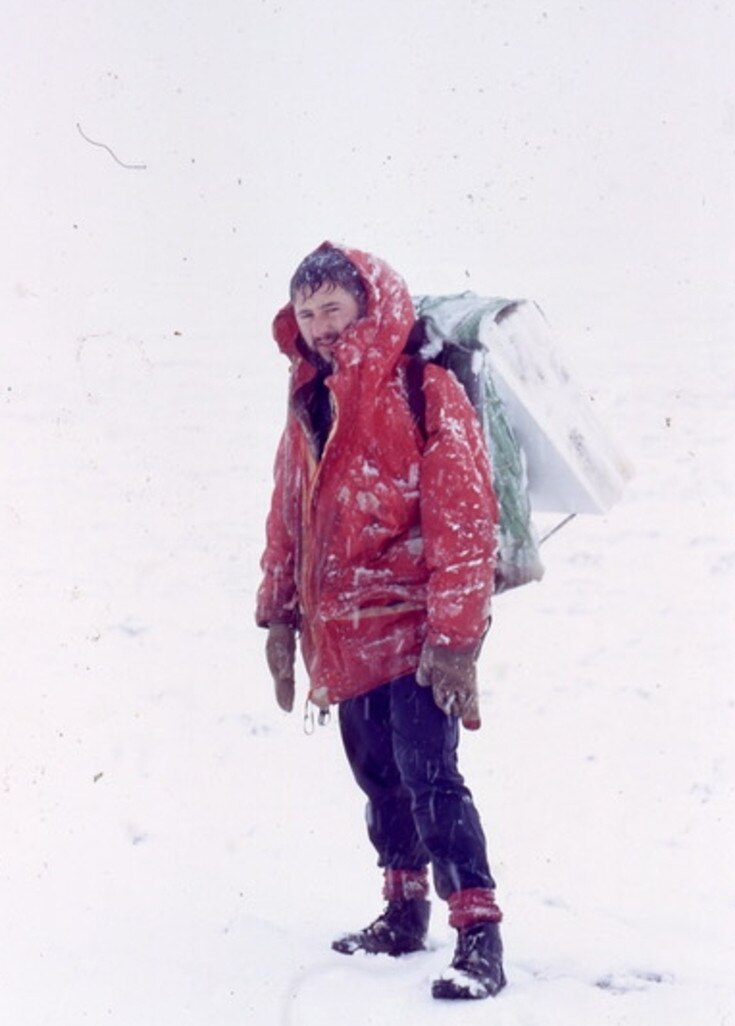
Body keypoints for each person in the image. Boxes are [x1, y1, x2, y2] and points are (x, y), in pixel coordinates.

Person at [255, 242, 506, 1000]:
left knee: (433, 779)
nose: (321, 326)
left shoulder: (423, 387)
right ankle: (403, 911)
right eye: (307, 314)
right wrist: (278, 618)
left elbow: (464, 521)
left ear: (369, 306)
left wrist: (457, 643)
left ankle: (480, 935)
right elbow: (287, 516)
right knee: (379, 779)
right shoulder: (312, 398)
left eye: (333, 309)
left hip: (415, 626)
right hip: (345, 631)